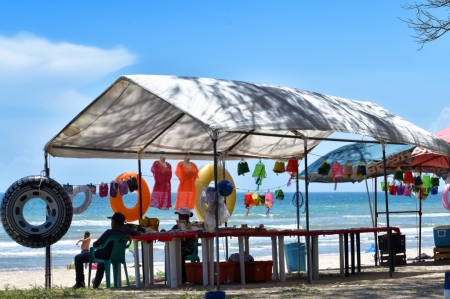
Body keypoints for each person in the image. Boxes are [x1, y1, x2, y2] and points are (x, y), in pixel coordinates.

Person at [72, 212, 140, 289]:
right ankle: (95, 284)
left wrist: (99, 243)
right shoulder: (128, 231)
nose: (111, 223)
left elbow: (95, 245)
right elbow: (139, 233)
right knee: (102, 263)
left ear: (114, 222)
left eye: (111, 221)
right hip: (117, 256)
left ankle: (80, 283)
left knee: (78, 258)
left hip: (104, 255)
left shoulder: (109, 232)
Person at [172, 207, 196, 284]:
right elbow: (171, 232)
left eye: (181, 216)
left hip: (189, 248)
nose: (179, 217)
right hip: (180, 248)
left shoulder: (192, 226)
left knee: (180, 255)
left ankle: (183, 277)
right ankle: (173, 276)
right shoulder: (176, 226)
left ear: (187, 216)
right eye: (179, 215)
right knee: (171, 254)